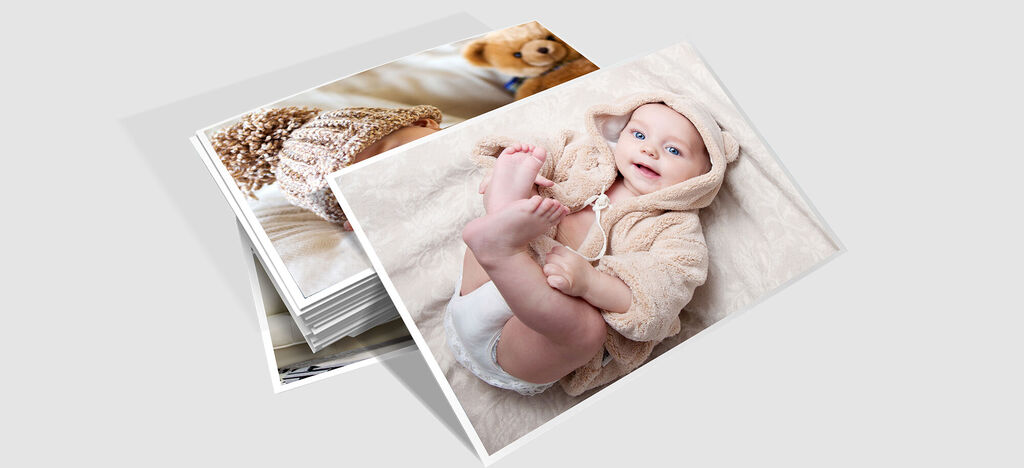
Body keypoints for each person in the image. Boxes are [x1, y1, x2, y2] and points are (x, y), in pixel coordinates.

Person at [444, 92, 740, 396]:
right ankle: (505, 211)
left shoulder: (678, 231)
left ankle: (503, 240)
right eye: (639, 134)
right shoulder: (587, 158)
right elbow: (548, 150)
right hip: (483, 287)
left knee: (587, 330)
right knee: (521, 203)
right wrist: (525, 166)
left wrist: (590, 284)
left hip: (519, 347)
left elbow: (662, 294)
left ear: (703, 176)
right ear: (619, 133)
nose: (649, 150)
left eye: (674, 150)